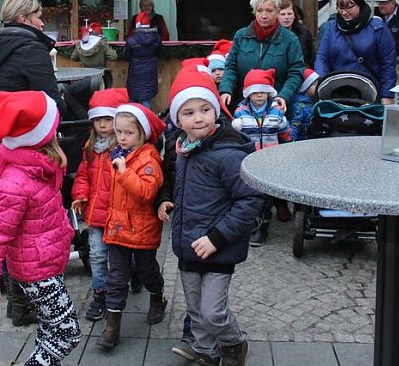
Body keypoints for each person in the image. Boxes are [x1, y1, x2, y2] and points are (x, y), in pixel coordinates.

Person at [165, 67, 263, 366]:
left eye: (205, 109)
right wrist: (166, 200)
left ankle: (234, 342)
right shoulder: (183, 149)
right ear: (177, 120)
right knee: (195, 308)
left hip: (218, 247)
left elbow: (250, 200)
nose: (198, 118)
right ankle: (206, 351)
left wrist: (217, 237)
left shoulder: (228, 153)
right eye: (189, 112)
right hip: (189, 244)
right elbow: (178, 188)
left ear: (216, 111)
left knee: (212, 311)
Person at [0, 91, 82, 366]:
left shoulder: (39, 166)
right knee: (66, 332)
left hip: (47, 261)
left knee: (49, 330)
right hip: (36, 270)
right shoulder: (15, 182)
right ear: (40, 135)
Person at [0, 0, 62, 326]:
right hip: (29, 140)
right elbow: (49, 96)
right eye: (40, 16)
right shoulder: (31, 48)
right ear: (25, 18)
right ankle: (28, 298)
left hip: (4, 138)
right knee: (31, 225)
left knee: (7, 217)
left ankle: (18, 301)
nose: (44, 22)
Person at [97, 103, 167, 349]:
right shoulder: (117, 154)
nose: (122, 138)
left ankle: (157, 296)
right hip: (117, 228)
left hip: (141, 229)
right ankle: (112, 327)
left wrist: (125, 172)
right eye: (119, 132)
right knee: (116, 277)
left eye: (129, 133)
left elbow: (147, 192)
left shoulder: (150, 158)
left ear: (142, 134)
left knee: (147, 271)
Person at [70, 88, 130, 322]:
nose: (103, 125)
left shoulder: (126, 147)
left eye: (108, 119)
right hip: (96, 213)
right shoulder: (91, 148)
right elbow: (83, 175)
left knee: (119, 257)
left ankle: (122, 286)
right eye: (98, 120)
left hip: (118, 213)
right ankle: (101, 293)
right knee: (96, 254)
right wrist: (81, 194)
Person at [231, 69, 293, 242]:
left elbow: (285, 134)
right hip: (249, 159)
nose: (259, 96)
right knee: (251, 193)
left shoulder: (276, 113)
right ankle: (251, 222)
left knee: (265, 195)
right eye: (255, 92)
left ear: (269, 93)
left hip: (270, 159)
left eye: (263, 92)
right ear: (248, 94)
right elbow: (237, 138)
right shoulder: (240, 113)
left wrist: (287, 140)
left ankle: (262, 226)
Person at [219, 0, 305, 114]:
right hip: (243, 105)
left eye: (269, 11)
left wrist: (284, 96)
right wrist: (225, 90)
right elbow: (231, 67)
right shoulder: (241, 36)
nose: (263, 15)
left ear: (277, 12)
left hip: (276, 106)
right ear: (254, 12)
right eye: (259, 10)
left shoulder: (290, 39)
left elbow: (296, 72)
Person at [314, 0, 397, 104]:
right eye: (340, 8)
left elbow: (388, 63)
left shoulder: (377, 28)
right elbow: (322, 57)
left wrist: (387, 94)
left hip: (369, 92)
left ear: (359, 4)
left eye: (348, 7)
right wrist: (321, 81)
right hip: (336, 91)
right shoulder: (332, 28)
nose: (344, 12)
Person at [0, 0, 61, 105]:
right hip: (28, 119)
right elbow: (52, 100)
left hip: (1, 118)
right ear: (23, 19)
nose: (42, 24)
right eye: (38, 18)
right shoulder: (32, 48)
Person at [124, 12, 162, 108]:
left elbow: (126, 56)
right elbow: (160, 53)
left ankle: (133, 119)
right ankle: (146, 119)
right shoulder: (157, 38)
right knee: (146, 98)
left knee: (133, 97)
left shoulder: (131, 40)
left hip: (135, 71)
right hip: (150, 70)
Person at [279, 0, 315, 67]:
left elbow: (311, 57)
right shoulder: (273, 34)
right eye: (283, 14)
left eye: (289, 14)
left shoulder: (304, 32)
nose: (286, 17)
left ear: (294, 16)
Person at [290, 69, 320, 142]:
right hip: (302, 142)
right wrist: (291, 141)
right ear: (305, 87)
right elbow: (295, 125)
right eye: (314, 84)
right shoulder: (299, 106)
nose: (317, 86)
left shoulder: (311, 102)